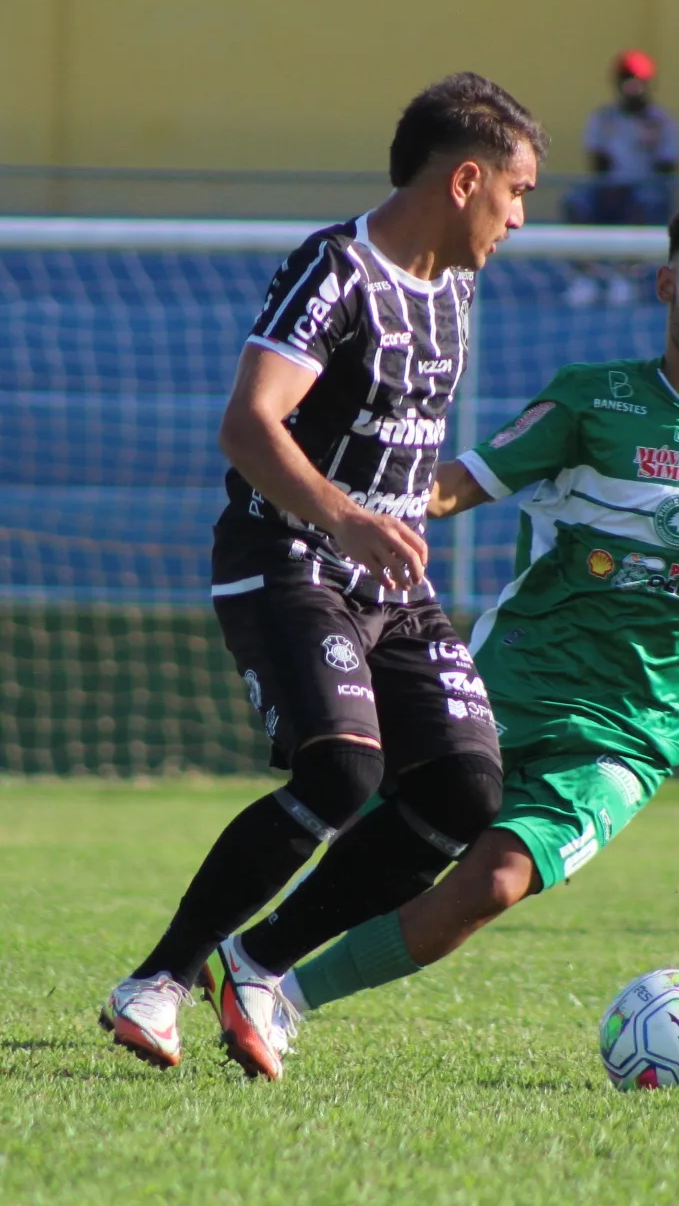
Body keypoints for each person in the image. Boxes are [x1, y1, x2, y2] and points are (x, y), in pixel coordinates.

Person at [202, 197, 679, 1077]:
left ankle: (278, 994)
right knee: (370, 809)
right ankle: (203, 961)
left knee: (494, 882)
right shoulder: (593, 399)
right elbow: (449, 486)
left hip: (641, 729)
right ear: (669, 285)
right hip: (516, 681)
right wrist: (334, 512)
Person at [98, 73, 547, 1077]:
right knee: (344, 768)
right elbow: (249, 423)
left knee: (469, 788)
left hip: (390, 588)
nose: (520, 218)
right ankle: (157, 981)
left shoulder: (458, 288)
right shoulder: (335, 267)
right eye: (516, 193)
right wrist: (348, 515)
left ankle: (253, 964)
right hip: (284, 555)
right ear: (466, 179)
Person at [564, 49, 679, 229]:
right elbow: (598, 161)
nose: (632, 86)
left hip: (647, 192)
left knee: (642, 205)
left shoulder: (662, 122)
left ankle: (633, 257)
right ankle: (588, 256)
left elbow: (667, 168)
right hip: (609, 189)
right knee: (576, 202)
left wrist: (635, 187)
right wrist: (612, 189)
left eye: (637, 80)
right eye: (626, 79)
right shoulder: (603, 118)